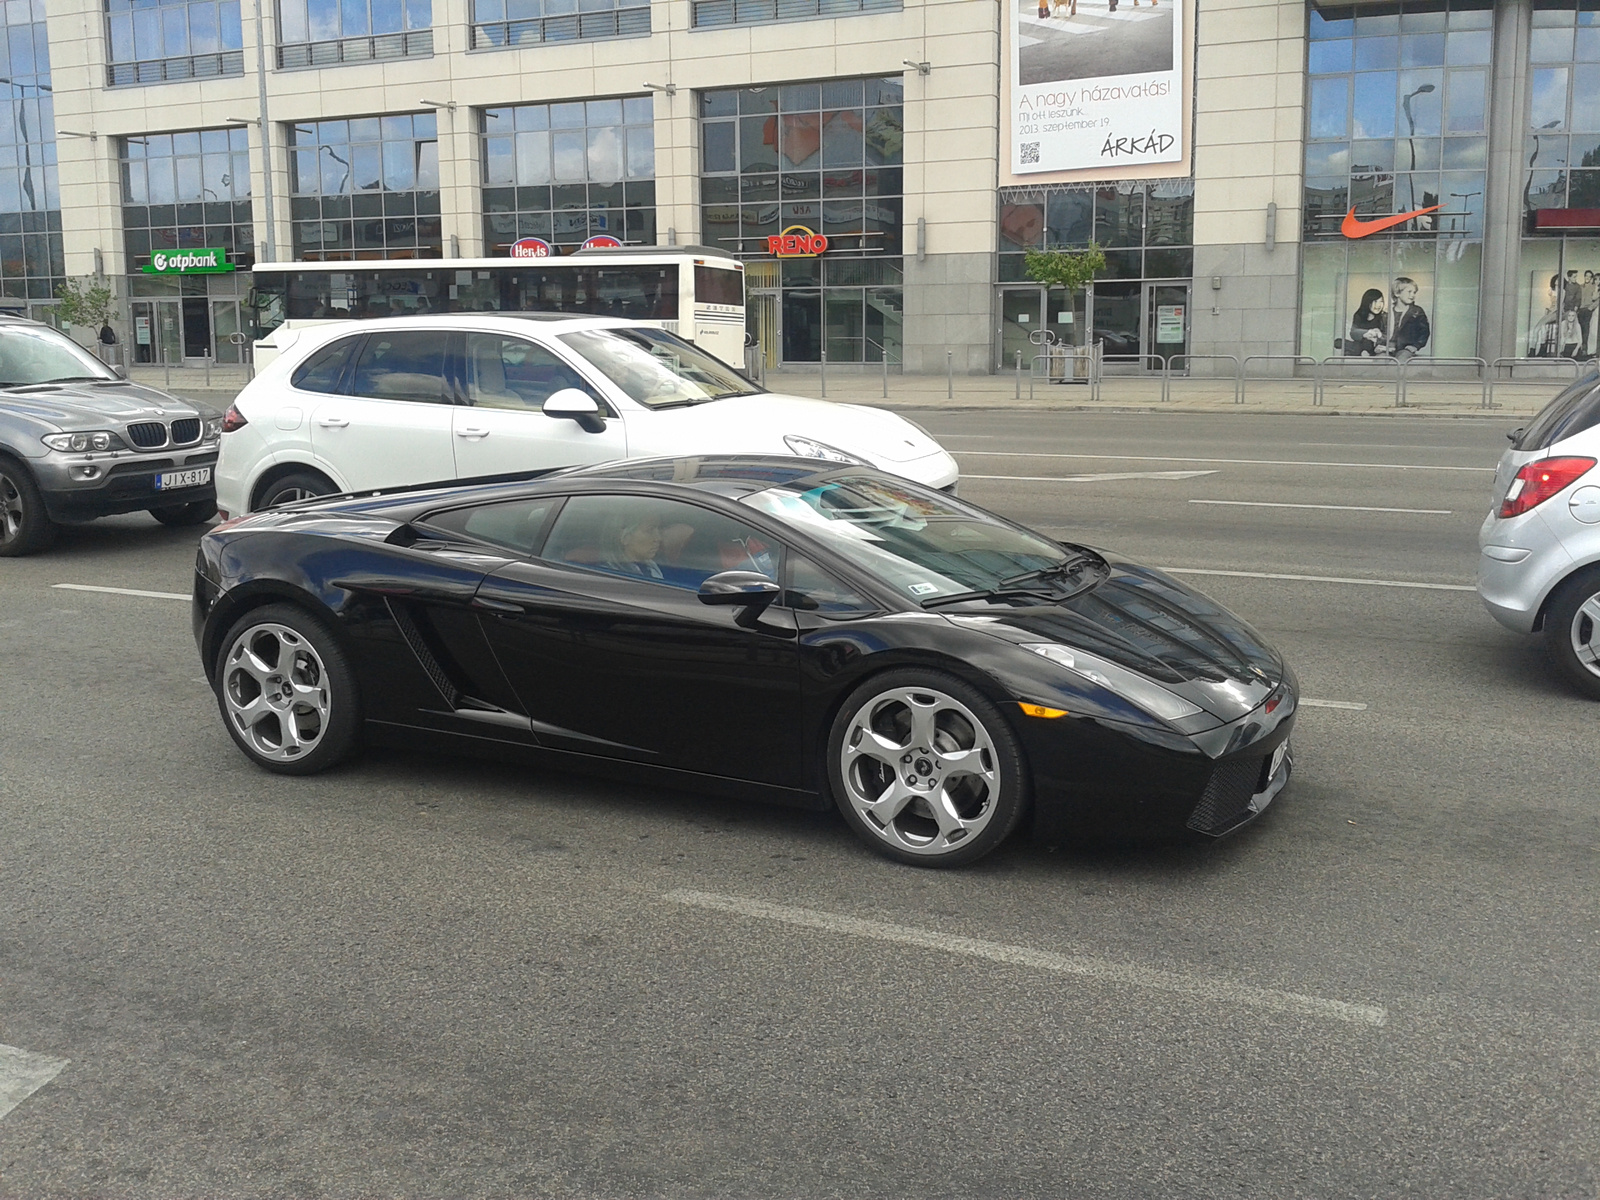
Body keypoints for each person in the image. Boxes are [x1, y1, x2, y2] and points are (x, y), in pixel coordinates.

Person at [1386, 276, 1431, 360]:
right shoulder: (1386, 312)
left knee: (1402, 360)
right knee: (1379, 361)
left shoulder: (1417, 312)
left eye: (1414, 292)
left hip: (1405, 348)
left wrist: (1416, 346)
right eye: (1409, 292)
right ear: (1397, 293)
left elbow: (1424, 332)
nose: (1412, 295)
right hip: (1387, 347)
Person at [1345, 288, 1388, 356]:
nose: (1379, 305)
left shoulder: (1384, 316)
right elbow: (1353, 332)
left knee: (1361, 346)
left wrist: (1378, 336)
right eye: (1375, 301)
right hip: (1360, 344)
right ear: (1367, 302)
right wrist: (1367, 333)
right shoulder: (1359, 315)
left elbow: (1389, 337)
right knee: (1354, 348)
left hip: (1376, 347)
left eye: (1381, 301)